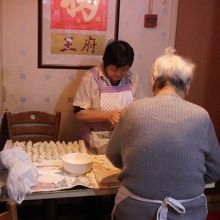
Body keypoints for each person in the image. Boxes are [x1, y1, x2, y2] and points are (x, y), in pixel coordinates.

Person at [106, 48, 220, 220]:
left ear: (153, 81)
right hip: (188, 212)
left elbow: (113, 156)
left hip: (134, 211)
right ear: (187, 85)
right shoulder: (201, 115)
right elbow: (214, 170)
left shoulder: (132, 111)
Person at [73, 40, 144, 153]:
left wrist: (128, 113)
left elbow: (141, 108)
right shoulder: (90, 78)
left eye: (124, 70)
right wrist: (107, 116)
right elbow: (79, 113)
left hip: (125, 139)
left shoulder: (133, 78)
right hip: (96, 141)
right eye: (114, 69)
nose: (119, 74)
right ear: (105, 63)